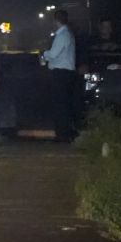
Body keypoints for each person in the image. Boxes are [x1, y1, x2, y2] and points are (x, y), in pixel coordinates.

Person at [39, 8, 78, 143]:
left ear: (55, 20)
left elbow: (54, 54)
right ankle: (64, 133)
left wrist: (44, 53)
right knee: (63, 104)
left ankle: (62, 134)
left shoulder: (62, 35)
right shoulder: (67, 34)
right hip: (65, 73)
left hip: (61, 73)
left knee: (60, 105)